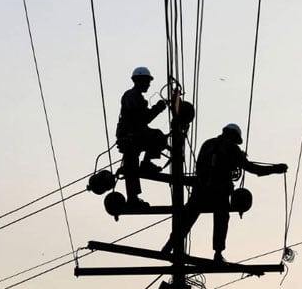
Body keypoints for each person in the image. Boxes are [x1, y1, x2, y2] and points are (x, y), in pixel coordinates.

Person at [164, 123, 287, 262]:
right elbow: (252, 168)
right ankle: (218, 254)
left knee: (188, 217)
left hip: (200, 189)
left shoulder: (208, 144)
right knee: (221, 218)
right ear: (234, 137)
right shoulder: (232, 148)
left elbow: (200, 166)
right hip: (219, 191)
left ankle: (169, 246)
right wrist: (275, 169)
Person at [116, 66, 168, 206]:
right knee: (157, 137)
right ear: (138, 81)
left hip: (134, 136)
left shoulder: (136, 97)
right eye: (146, 81)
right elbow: (142, 119)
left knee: (131, 168)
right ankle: (133, 197)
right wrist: (157, 108)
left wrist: (157, 109)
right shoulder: (132, 96)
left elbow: (143, 119)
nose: (149, 84)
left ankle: (133, 197)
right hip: (131, 137)